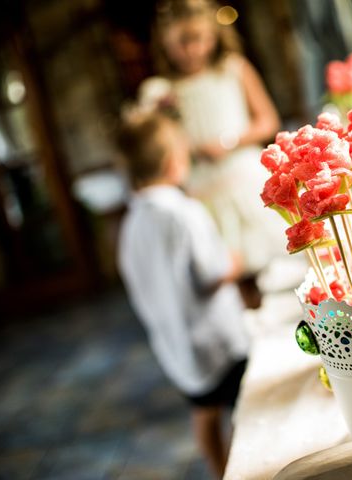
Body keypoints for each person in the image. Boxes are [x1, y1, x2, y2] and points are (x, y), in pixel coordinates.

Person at [116, 111, 249, 478]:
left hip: (175, 342)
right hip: (216, 338)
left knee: (204, 410)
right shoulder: (183, 211)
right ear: (174, 162)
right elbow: (208, 273)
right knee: (244, 409)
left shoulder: (131, 223)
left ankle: (217, 469)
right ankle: (246, 469)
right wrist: (233, 265)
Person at [139, 0, 285, 308]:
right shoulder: (160, 91)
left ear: (214, 36)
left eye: (199, 40)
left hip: (242, 178)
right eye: (182, 43)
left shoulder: (234, 69)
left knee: (272, 268)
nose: (192, 50)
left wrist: (228, 142)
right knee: (226, 272)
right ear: (166, 43)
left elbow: (267, 120)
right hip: (200, 188)